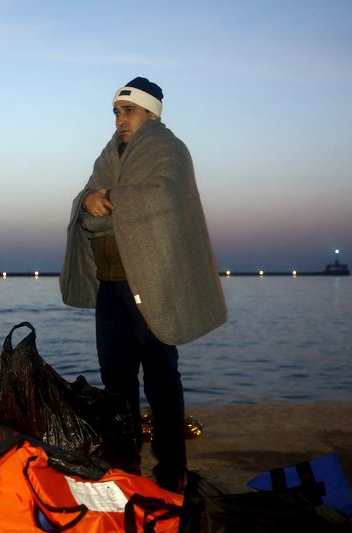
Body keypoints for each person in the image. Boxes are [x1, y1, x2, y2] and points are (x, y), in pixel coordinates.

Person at [60, 76, 226, 492]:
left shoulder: (169, 150)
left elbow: (162, 197)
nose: (120, 119)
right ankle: (125, 465)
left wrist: (106, 200)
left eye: (128, 110)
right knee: (116, 383)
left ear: (151, 113)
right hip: (110, 287)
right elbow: (87, 195)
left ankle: (171, 470)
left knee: (161, 379)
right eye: (116, 112)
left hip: (150, 283)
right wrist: (86, 201)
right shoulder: (110, 153)